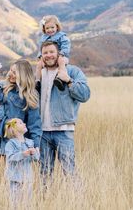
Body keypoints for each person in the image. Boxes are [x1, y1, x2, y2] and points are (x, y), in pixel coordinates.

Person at [0, 59, 42, 184]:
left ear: (23, 76)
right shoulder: (2, 87)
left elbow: (35, 124)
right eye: (10, 71)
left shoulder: (30, 95)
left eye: (15, 72)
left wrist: (35, 145)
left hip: (13, 140)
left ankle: (10, 202)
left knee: (12, 177)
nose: (10, 74)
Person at [38, 41, 90, 182]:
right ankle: (46, 201)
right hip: (42, 132)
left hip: (63, 130)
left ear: (59, 53)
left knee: (70, 171)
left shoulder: (72, 71)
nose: (48, 55)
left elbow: (85, 95)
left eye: (51, 52)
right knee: (44, 173)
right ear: (41, 56)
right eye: (45, 53)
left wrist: (68, 81)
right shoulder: (39, 74)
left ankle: (76, 201)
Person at [4, 118, 40, 202]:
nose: (24, 124)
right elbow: (10, 158)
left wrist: (34, 153)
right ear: (14, 129)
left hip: (27, 178)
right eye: (20, 123)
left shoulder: (30, 142)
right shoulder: (11, 144)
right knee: (15, 202)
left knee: (27, 202)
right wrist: (23, 154)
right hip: (15, 179)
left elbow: (36, 158)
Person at [36, 15, 71, 91]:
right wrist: (40, 56)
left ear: (57, 27)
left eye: (52, 27)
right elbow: (41, 49)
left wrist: (62, 53)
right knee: (39, 64)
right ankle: (37, 81)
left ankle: (60, 78)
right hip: (49, 58)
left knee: (61, 61)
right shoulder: (44, 38)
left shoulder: (61, 36)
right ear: (44, 29)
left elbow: (66, 45)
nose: (50, 30)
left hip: (62, 56)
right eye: (47, 28)